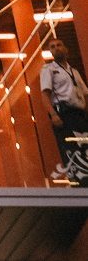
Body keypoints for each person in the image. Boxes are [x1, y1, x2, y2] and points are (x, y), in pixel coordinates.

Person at [40, 39, 88, 185]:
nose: (56, 48)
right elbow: (45, 94)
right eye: (52, 47)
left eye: (59, 45)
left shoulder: (74, 72)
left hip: (79, 114)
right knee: (71, 150)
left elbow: (85, 93)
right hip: (64, 114)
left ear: (65, 49)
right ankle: (79, 183)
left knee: (85, 147)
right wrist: (53, 114)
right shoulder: (48, 70)